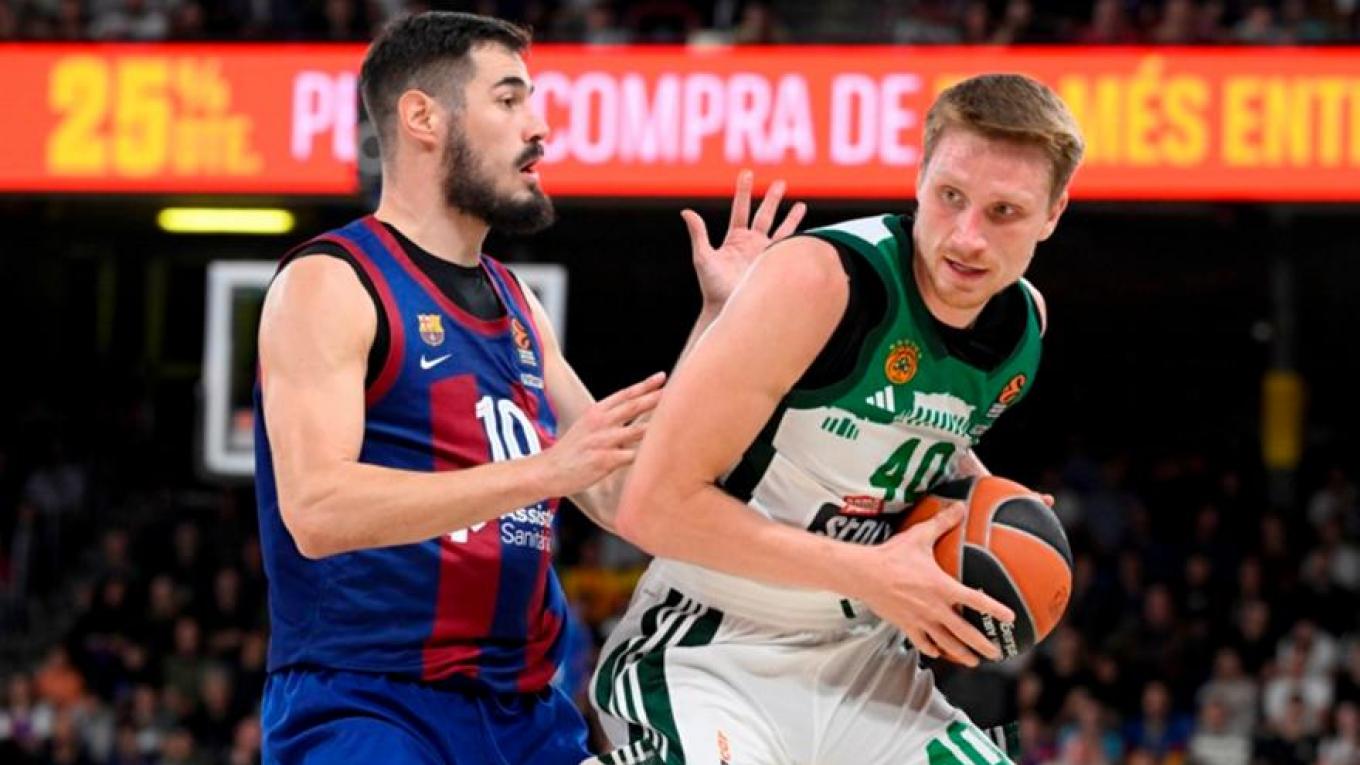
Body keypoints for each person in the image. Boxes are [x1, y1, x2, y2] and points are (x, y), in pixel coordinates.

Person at [252, 11, 805, 765]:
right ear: (422, 117)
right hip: (372, 707)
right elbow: (317, 510)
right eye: (509, 100)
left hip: (528, 713)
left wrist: (722, 323)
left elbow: (626, 492)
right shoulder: (332, 281)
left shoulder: (518, 304)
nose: (539, 128)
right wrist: (544, 472)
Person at [593, 73, 1084, 764]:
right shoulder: (821, 280)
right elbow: (651, 508)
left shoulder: (1021, 329)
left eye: (1004, 211)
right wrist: (871, 573)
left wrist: (991, 507)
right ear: (919, 176)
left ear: (1054, 213)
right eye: (951, 196)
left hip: (867, 663)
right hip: (718, 646)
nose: (968, 237)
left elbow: (927, 444)